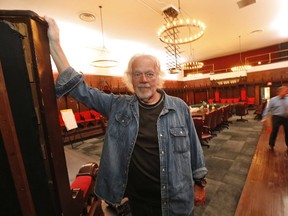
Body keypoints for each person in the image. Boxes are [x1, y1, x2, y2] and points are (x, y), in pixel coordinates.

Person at [44, 16, 208, 216]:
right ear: (130, 78)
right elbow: (79, 89)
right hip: (139, 203)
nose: (144, 80)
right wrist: (55, 43)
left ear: (158, 76)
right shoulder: (117, 106)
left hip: (178, 200)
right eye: (137, 74)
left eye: (149, 74)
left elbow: (194, 148)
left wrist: (199, 183)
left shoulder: (179, 107)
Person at [262, 85, 288, 150]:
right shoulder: (273, 100)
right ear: (279, 92)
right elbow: (267, 109)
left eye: (286, 91)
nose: (286, 92)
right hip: (277, 117)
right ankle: (271, 144)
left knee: (287, 131)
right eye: (284, 91)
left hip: (286, 117)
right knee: (274, 131)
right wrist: (264, 117)